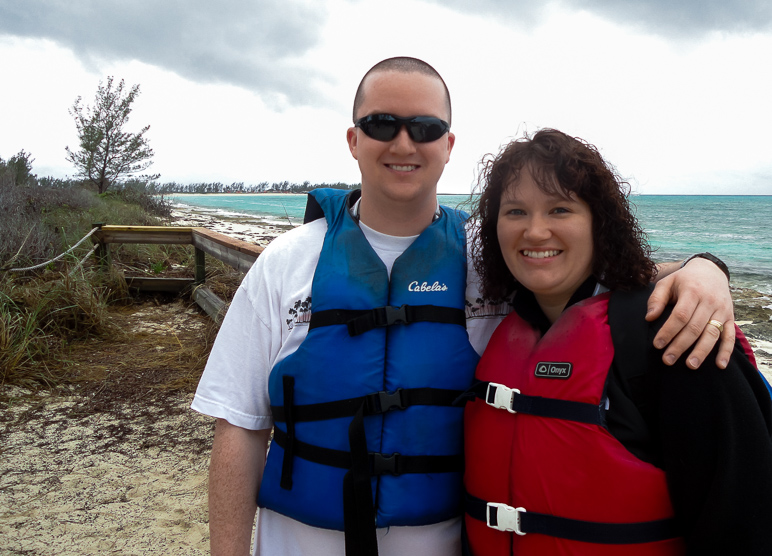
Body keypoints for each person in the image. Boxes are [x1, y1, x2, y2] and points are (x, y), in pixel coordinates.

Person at [191, 58, 735, 556]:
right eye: (382, 124)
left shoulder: (490, 256)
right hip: (298, 542)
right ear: (354, 140)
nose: (404, 143)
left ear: (448, 145)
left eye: (424, 129)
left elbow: (588, 274)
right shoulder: (285, 263)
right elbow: (239, 424)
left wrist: (704, 269)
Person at [463, 129, 772, 555]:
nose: (535, 232)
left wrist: (706, 266)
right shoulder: (498, 326)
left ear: (599, 223)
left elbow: (748, 522)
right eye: (515, 211)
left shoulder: (673, 337)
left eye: (559, 209)